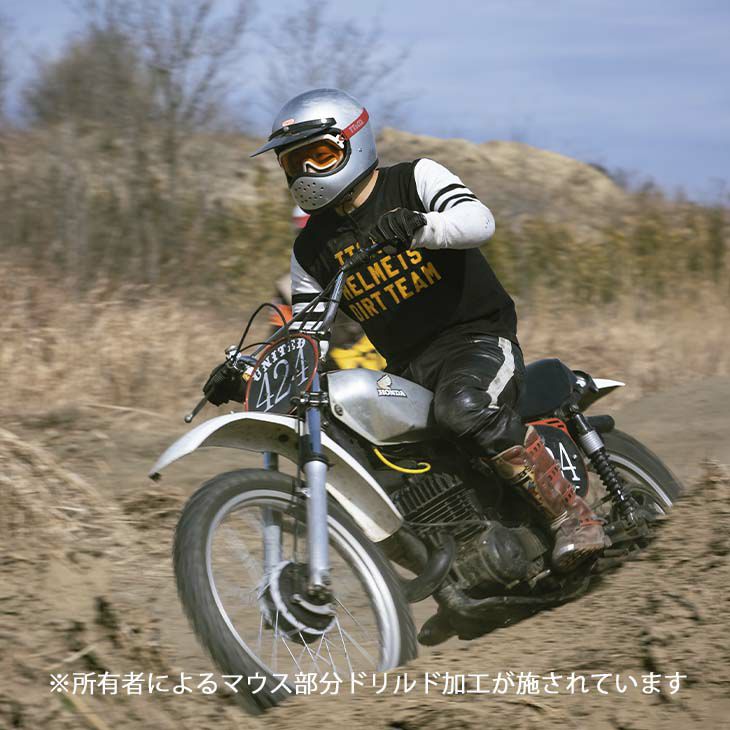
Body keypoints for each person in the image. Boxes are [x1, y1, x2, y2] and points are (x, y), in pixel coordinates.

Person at [248, 88, 608, 642]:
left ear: (353, 142)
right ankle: (460, 575)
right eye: (293, 161)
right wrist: (255, 370)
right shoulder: (310, 249)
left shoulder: (413, 179)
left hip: (476, 338)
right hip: (406, 368)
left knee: (462, 406)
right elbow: (307, 330)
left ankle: (572, 516)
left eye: (318, 154)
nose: (305, 171)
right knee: (374, 457)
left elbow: (479, 221)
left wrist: (421, 226)